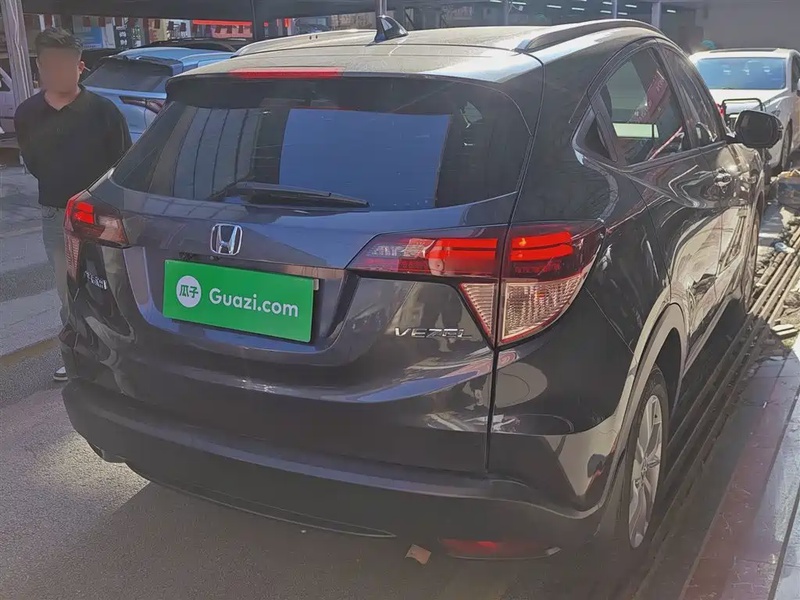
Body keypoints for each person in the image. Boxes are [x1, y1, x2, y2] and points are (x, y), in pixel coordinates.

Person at [14, 28, 131, 382]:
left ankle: (123, 356)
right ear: (39, 66)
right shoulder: (27, 113)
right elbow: (34, 162)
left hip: (101, 218)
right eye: (50, 64)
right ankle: (78, 352)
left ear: (79, 66)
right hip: (56, 215)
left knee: (113, 287)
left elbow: (121, 165)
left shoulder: (104, 112)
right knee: (69, 290)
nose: (58, 71)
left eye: (66, 64)